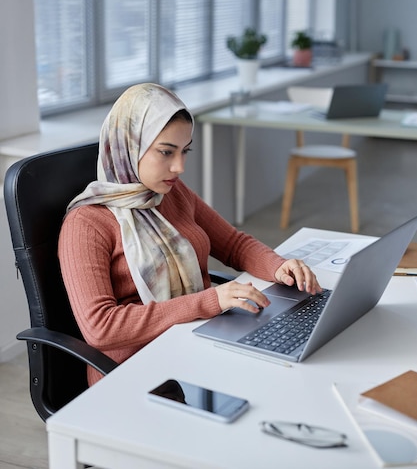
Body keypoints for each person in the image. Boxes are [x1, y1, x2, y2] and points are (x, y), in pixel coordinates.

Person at [58, 83, 321, 385]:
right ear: (128, 146)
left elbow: (234, 245)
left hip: (198, 339)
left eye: (185, 151)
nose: (179, 166)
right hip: (135, 373)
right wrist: (209, 301)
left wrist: (279, 266)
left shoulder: (171, 193)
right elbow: (101, 328)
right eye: (166, 152)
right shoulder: (87, 224)